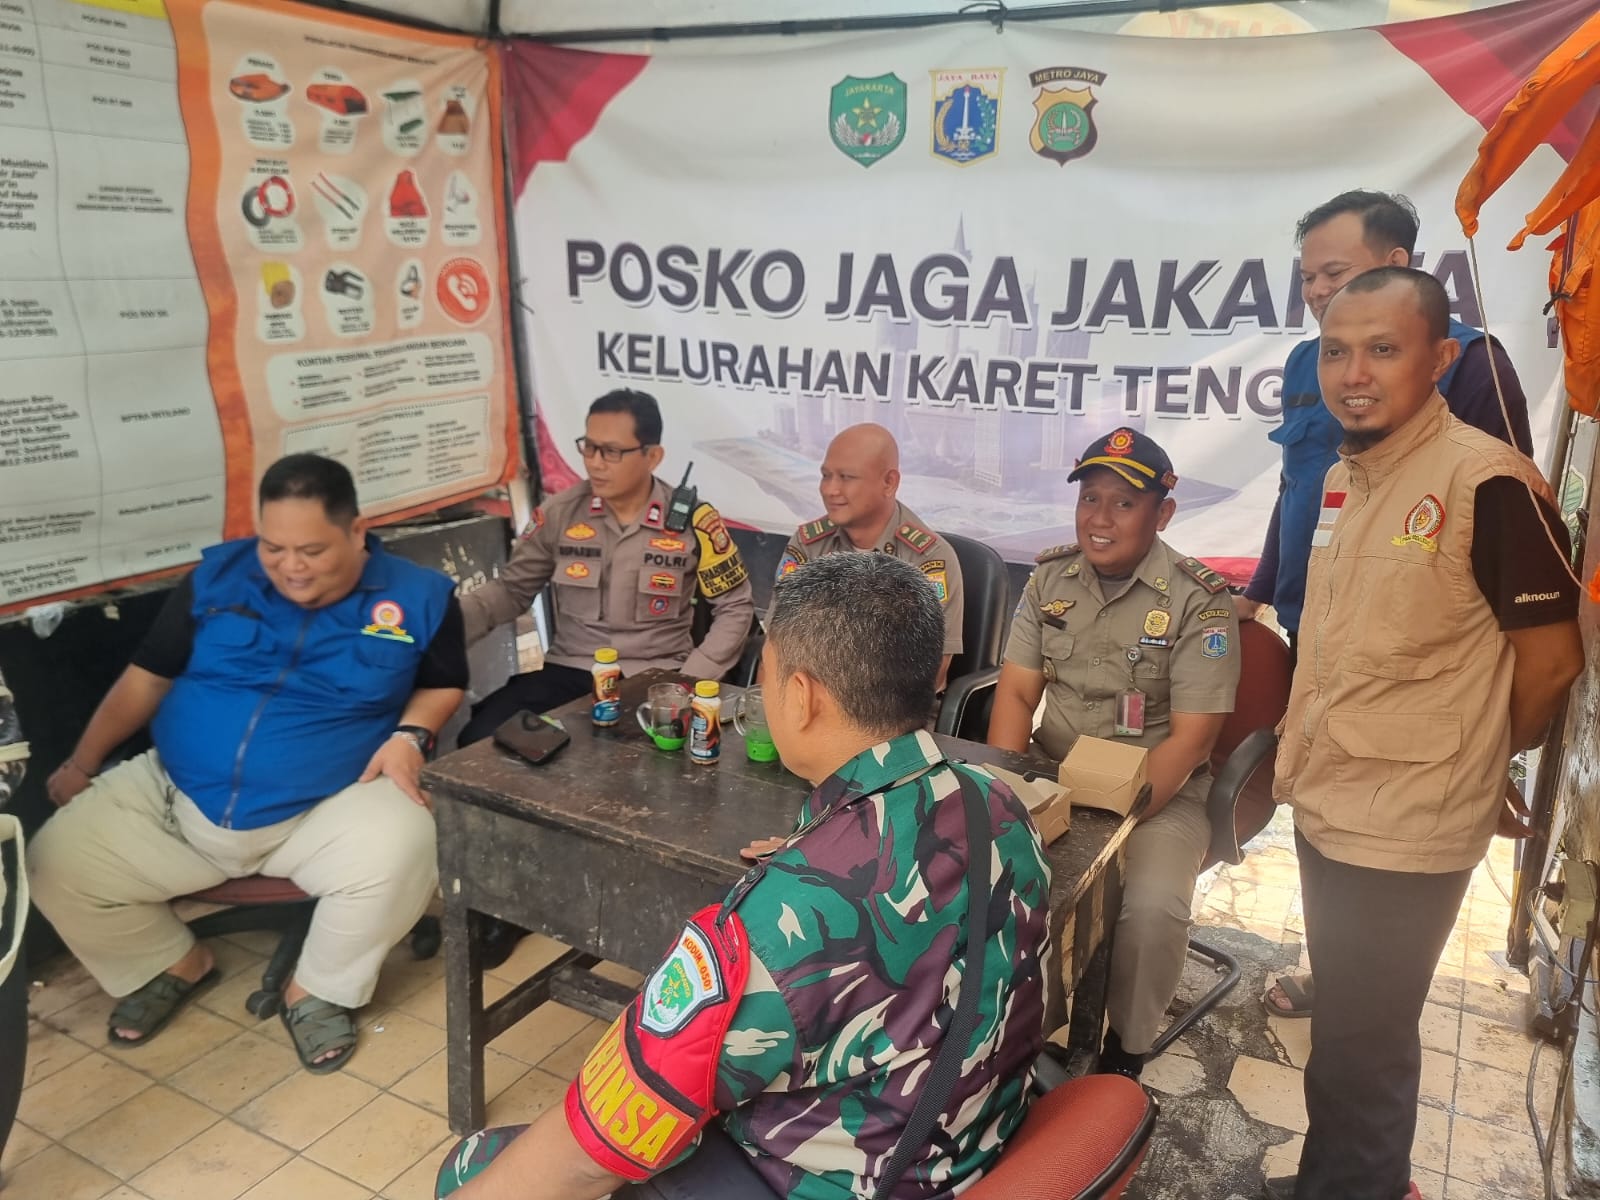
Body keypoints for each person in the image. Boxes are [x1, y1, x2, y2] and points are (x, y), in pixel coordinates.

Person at [434, 553, 1052, 1200]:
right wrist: (823, 852)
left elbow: (599, 1146)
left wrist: (811, 875)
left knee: (474, 1166)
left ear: (801, 696)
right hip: (969, 1152)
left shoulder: (765, 932)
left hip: (816, 1182)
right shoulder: (997, 805)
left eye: (767, 673)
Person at [1264, 268, 1582, 1200]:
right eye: (1336, 351)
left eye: (1383, 349)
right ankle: (1333, 1183)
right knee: (1349, 1033)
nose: (1353, 373)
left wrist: (1485, 760)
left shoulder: (1489, 483)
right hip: (1333, 802)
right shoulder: (1345, 477)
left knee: (1366, 1049)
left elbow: (1552, 662)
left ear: (1440, 359)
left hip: (1409, 825)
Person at [29, 454, 465, 1074]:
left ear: (356, 532)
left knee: (411, 838)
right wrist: (82, 763)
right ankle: (168, 962)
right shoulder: (216, 579)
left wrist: (410, 735)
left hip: (324, 809)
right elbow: (146, 678)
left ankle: (317, 990)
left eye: (311, 550)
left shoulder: (420, 597)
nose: (291, 567)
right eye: (273, 547)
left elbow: (444, 682)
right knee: (54, 860)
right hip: (178, 797)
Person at [1242, 190, 1537, 1021]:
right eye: (1307, 278)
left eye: (1334, 272)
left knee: (1395, 820)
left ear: (1398, 264)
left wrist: (1486, 748)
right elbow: (1298, 485)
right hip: (1317, 618)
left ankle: (1363, 1000)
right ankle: (1334, 971)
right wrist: (1260, 592)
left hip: (1417, 650)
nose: (1316, 292)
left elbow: (1497, 532)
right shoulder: (1309, 365)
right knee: (1328, 806)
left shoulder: (1470, 364)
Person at [987, 427, 1240, 1080]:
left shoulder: (1198, 600)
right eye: (1090, 499)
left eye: (1124, 503)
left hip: (1160, 795)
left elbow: (1193, 738)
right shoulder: (1050, 578)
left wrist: (1109, 822)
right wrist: (1010, 793)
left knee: (1151, 910)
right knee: (986, 870)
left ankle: (1124, 1054)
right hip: (1051, 775)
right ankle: (1007, 1034)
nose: (1100, 519)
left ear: (1163, 513)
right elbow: (1016, 694)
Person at [458, 388, 754, 744]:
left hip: (658, 675)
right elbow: (511, 591)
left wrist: (689, 681)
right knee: (480, 740)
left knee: (645, 761)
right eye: (589, 447)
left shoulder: (694, 521)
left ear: (652, 456)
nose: (595, 463)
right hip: (571, 672)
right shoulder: (560, 513)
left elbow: (735, 608)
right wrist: (444, 624)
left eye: (611, 452)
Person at [777, 423, 964, 690]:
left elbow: (928, 673)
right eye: (826, 475)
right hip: (805, 698)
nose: (830, 489)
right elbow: (778, 642)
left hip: (887, 709)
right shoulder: (808, 544)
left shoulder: (928, 559)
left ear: (889, 483)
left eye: (846, 477)